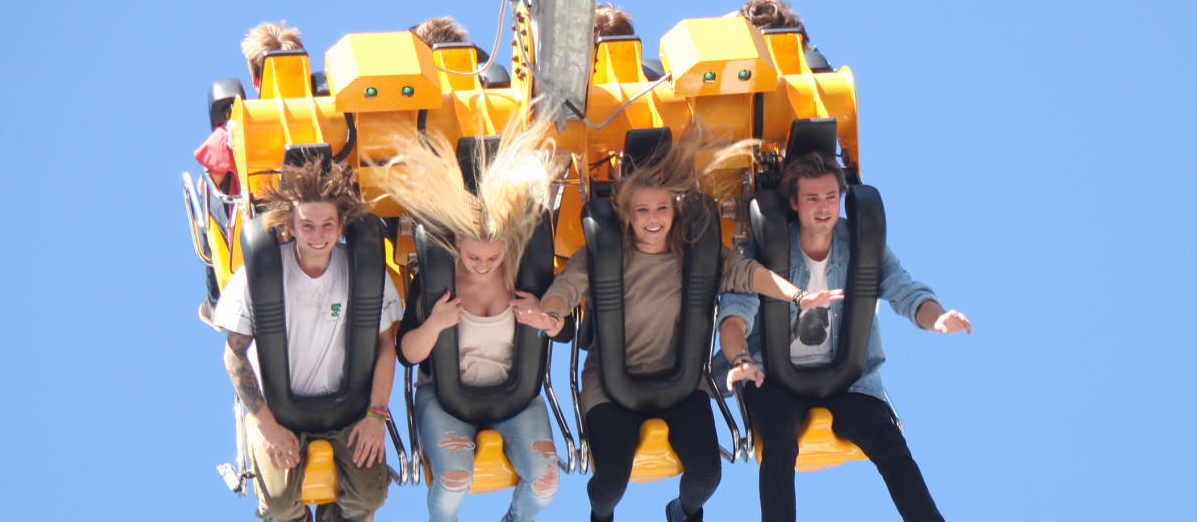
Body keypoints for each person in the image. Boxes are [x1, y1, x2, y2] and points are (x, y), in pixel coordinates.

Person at [515, 131, 842, 522]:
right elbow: (565, 290)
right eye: (642, 211)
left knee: (707, 475)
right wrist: (550, 317)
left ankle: (681, 513)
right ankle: (601, 517)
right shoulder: (602, 255)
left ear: (674, 210)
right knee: (610, 483)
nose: (653, 220)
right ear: (626, 214)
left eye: (661, 209)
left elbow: (751, 274)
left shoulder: (695, 251)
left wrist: (799, 297)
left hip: (681, 384)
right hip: (611, 386)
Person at [716, 152, 972, 522]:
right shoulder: (767, 251)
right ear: (794, 203)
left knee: (889, 441)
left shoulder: (861, 247)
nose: (824, 208)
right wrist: (740, 360)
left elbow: (907, 292)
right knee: (780, 440)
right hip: (771, 377)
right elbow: (733, 316)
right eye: (813, 199)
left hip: (846, 381)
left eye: (831, 198)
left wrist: (938, 318)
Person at [381, 120, 563, 522]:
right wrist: (435, 323)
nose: (483, 267)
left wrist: (546, 317)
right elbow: (407, 354)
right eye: (473, 257)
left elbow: (562, 332)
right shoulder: (438, 282)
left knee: (547, 479)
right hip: (446, 398)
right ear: (458, 242)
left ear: (507, 246)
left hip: (513, 398)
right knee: (456, 477)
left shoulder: (520, 277)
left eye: (492, 258)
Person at [213, 156, 402, 522]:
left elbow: (385, 346)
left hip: (347, 412)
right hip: (281, 415)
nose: (319, 236)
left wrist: (376, 416)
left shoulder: (363, 272)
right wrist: (266, 426)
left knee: (371, 496)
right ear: (290, 226)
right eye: (308, 226)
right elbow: (233, 355)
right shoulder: (259, 276)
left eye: (328, 225)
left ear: (341, 225)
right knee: (281, 506)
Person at [195, 21, 306, 323]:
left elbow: (214, 178)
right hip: (320, 229)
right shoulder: (330, 118)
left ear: (255, 79)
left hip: (256, 240)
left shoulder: (237, 129)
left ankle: (215, 297)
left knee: (208, 192)